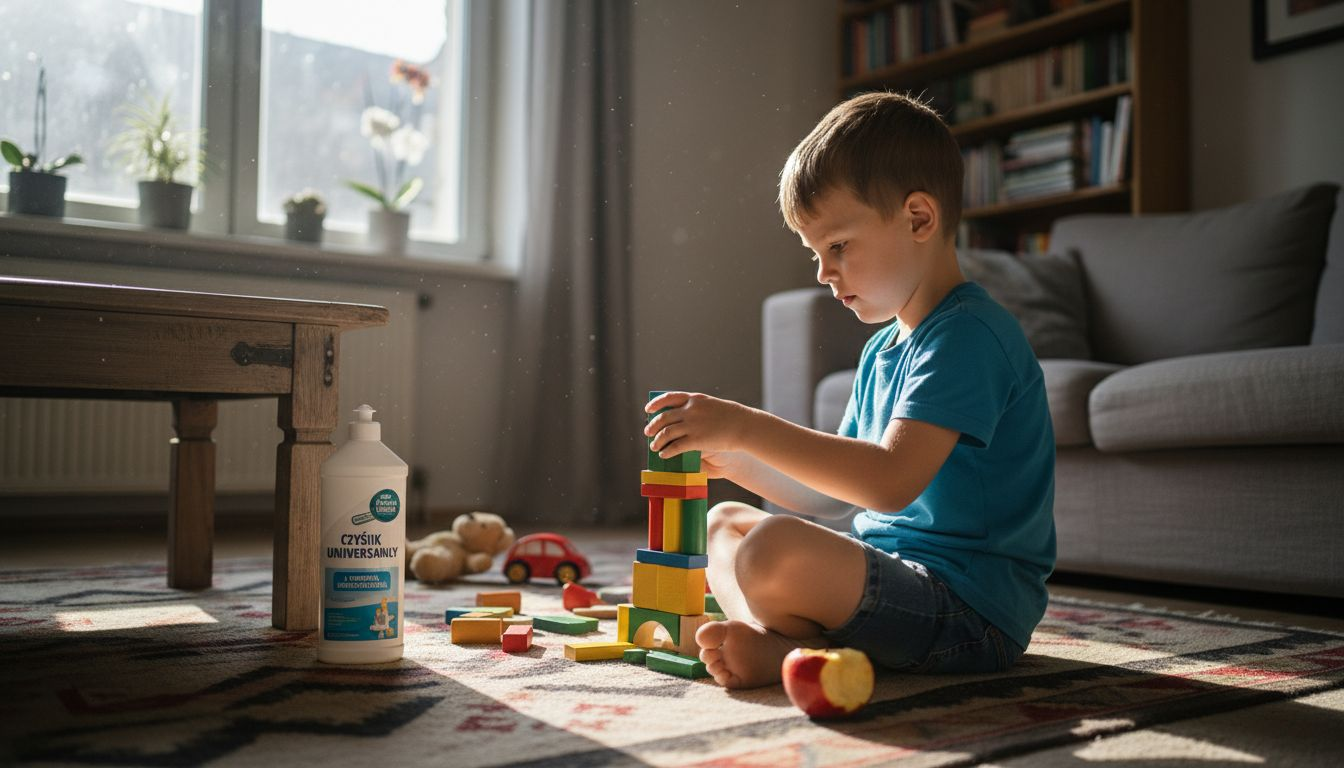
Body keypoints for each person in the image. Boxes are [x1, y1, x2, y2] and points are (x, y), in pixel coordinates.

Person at [643, 91, 1056, 689]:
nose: (823, 272)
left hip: (970, 612)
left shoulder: (969, 336)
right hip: (897, 581)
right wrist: (736, 461)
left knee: (770, 550)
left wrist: (747, 426)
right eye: (815, 252)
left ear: (919, 219)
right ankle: (790, 650)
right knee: (725, 523)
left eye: (837, 246)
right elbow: (831, 497)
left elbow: (887, 483)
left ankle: (789, 648)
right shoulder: (881, 350)